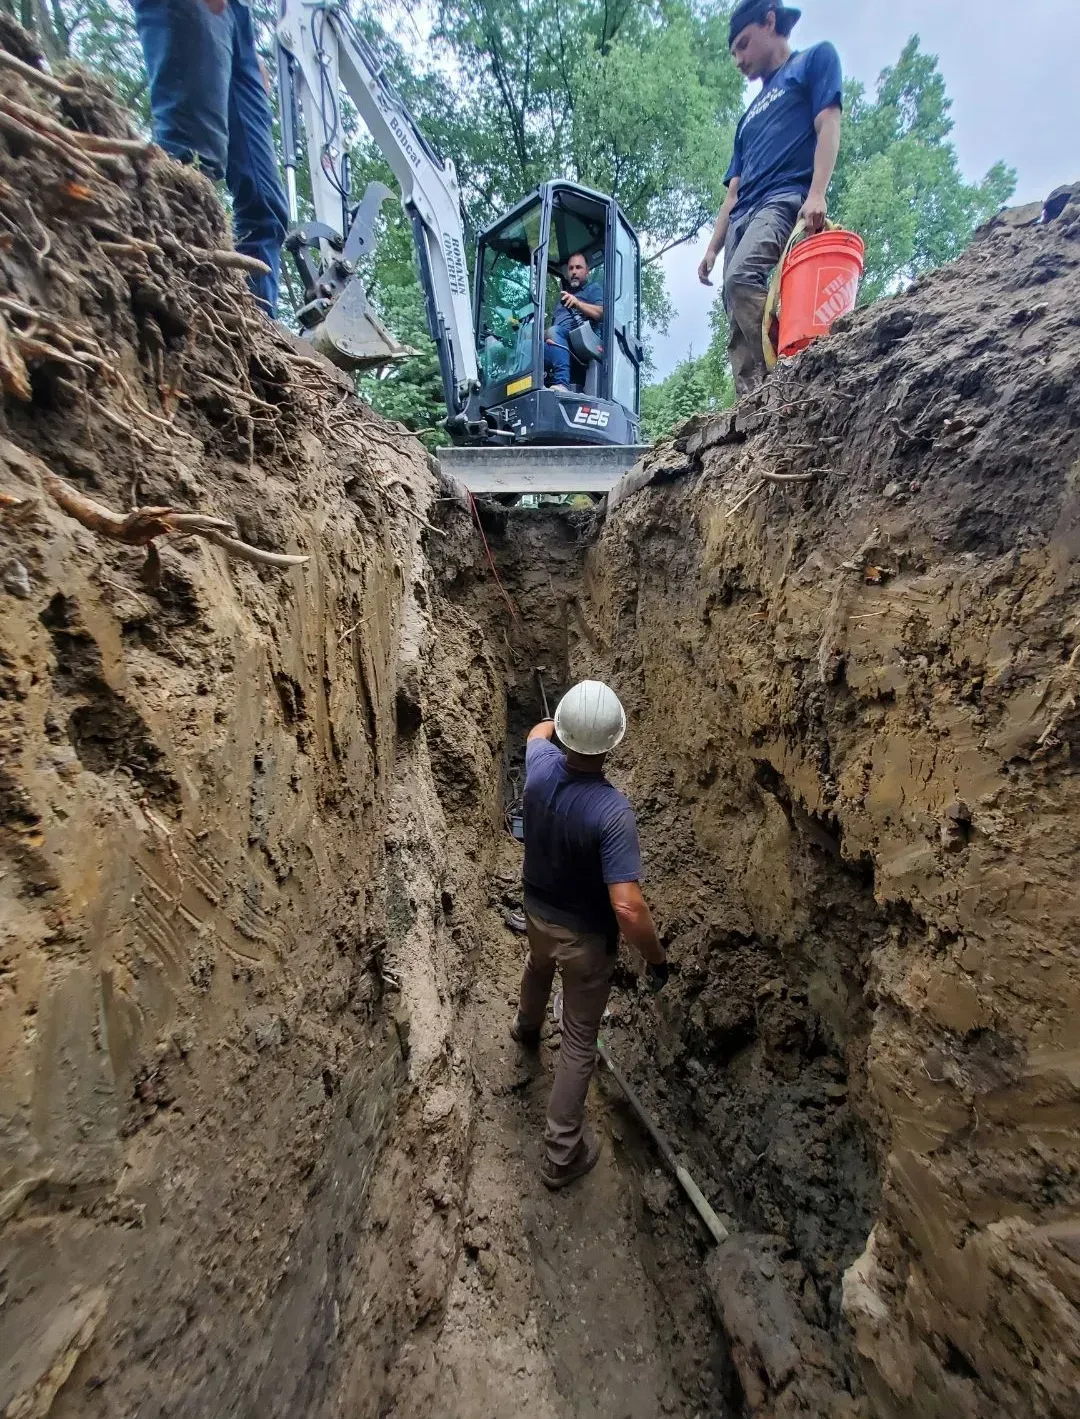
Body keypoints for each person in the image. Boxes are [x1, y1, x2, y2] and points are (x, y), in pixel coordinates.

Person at [511, 680, 668, 1190]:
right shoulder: (612, 813)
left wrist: (557, 725)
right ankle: (561, 1154)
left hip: (537, 912)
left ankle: (526, 1029)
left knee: (537, 966)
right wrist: (656, 957)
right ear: (613, 744)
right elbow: (626, 905)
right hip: (583, 939)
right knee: (580, 1037)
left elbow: (537, 731)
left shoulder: (538, 769)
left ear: (566, 734)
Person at [697, 1, 843, 397]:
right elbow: (732, 191)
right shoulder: (747, 119)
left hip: (782, 199)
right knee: (734, 313)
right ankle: (751, 407)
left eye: (743, 45)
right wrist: (712, 248)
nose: (738, 59)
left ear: (771, 22)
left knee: (743, 279)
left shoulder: (812, 62)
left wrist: (817, 194)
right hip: (742, 214)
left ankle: (789, 377)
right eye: (733, 52)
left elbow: (828, 122)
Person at [133, 0, 290, 316]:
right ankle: (172, 298)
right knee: (192, 158)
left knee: (266, 207)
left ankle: (257, 325)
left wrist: (245, 49)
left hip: (239, 19)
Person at [544, 252, 603, 391]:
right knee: (530, 345)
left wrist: (578, 303)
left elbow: (601, 313)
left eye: (578, 267)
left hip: (582, 341)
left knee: (554, 331)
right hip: (560, 342)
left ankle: (562, 384)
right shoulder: (561, 301)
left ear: (587, 271)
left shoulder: (593, 289)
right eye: (571, 268)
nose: (574, 272)